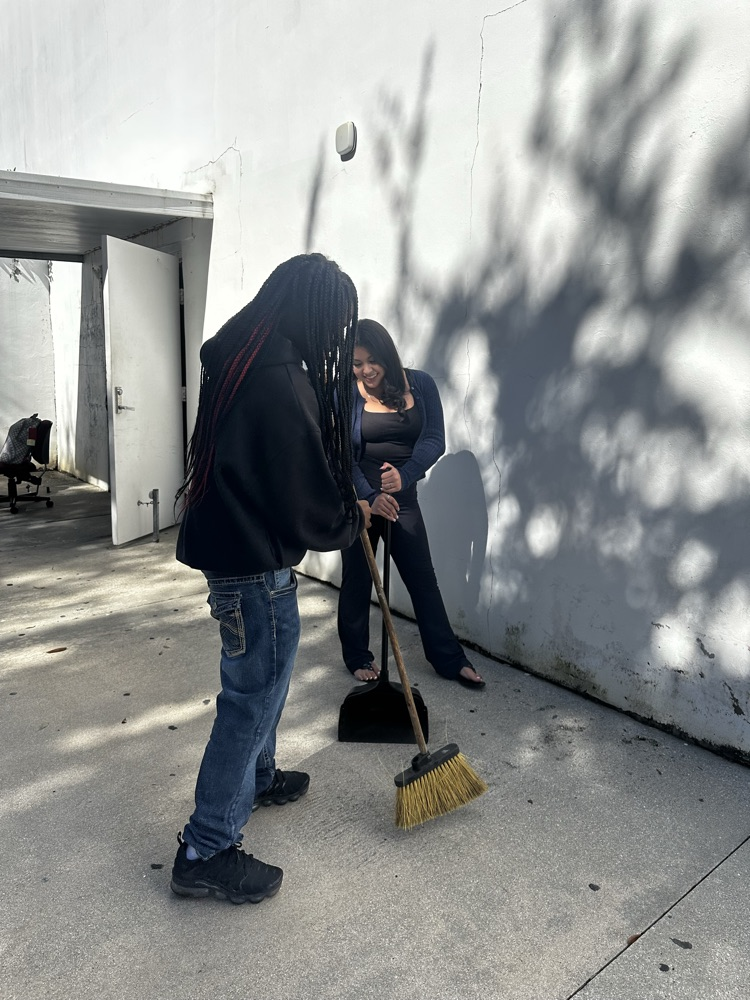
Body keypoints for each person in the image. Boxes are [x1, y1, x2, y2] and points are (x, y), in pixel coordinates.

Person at [171, 253, 371, 905]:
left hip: (235, 555)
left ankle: (258, 777)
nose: (335, 339)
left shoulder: (241, 350)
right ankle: (206, 848)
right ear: (314, 313)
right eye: (335, 325)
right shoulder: (279, 376)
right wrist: (351, 515)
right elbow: (300, 487)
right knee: (249, 699)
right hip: (253, 569)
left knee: (266, 684)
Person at [336, 319, 485, 688]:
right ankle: (357, 656)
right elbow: (340, 452)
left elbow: (435, 438)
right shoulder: (347, 393)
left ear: (387, 354)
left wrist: (406, 475)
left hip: (403, 500)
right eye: (356, 364)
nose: (366, 370)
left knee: (423, 580)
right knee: (357, 580)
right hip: (361, 503)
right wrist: (369, 496)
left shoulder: (420, 383)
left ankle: (448, 658)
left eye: (372, 360)